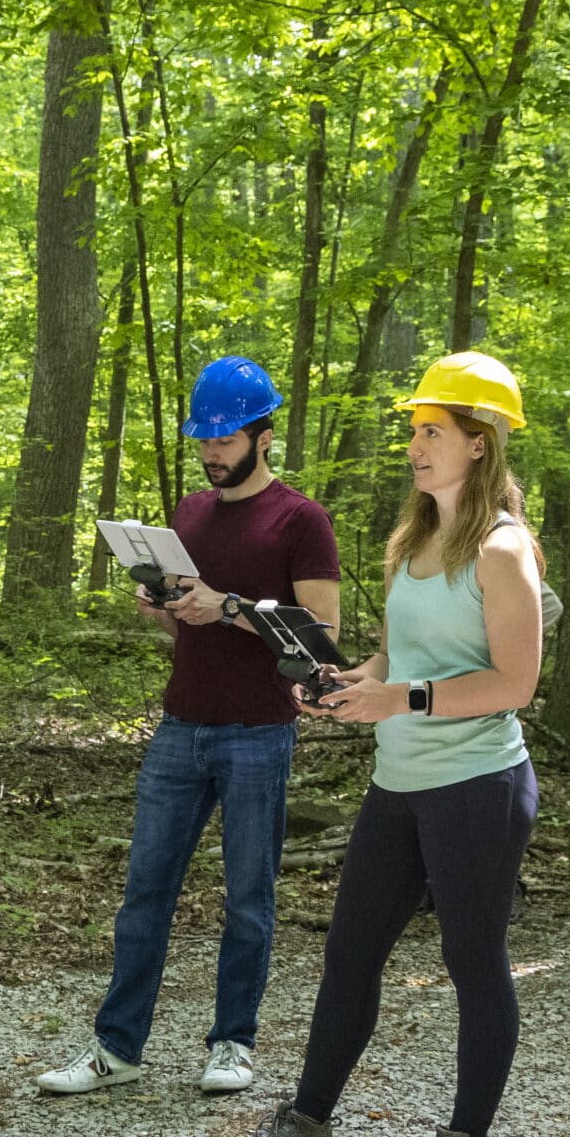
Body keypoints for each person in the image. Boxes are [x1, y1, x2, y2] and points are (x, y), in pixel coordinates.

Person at [202, 352, 542, 1137]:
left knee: (474, 964)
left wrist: (403, 697)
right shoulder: (409, 541)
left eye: (432, 431)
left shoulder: (504, 550)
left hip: (477, 783)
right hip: (400, 778)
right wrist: (353, 687)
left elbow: (514, 683)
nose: (415, 445)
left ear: (480, 442)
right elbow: (398, 658)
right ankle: (306, 1130)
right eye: (414, 429)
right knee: (351, 953)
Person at [35, 356, 341, 1098]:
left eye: (225, 439)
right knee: (145, 890)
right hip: (180, 726)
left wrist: (228, 606)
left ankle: (233, 1043)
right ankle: (118, 1047)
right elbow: (191, 612)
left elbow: (322, 635)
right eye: (203, 439)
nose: (211, 452)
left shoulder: (301, 519)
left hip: (259, 730)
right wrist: (167, 604)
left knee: (247, 896)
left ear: (264, 436)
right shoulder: (190, 512)